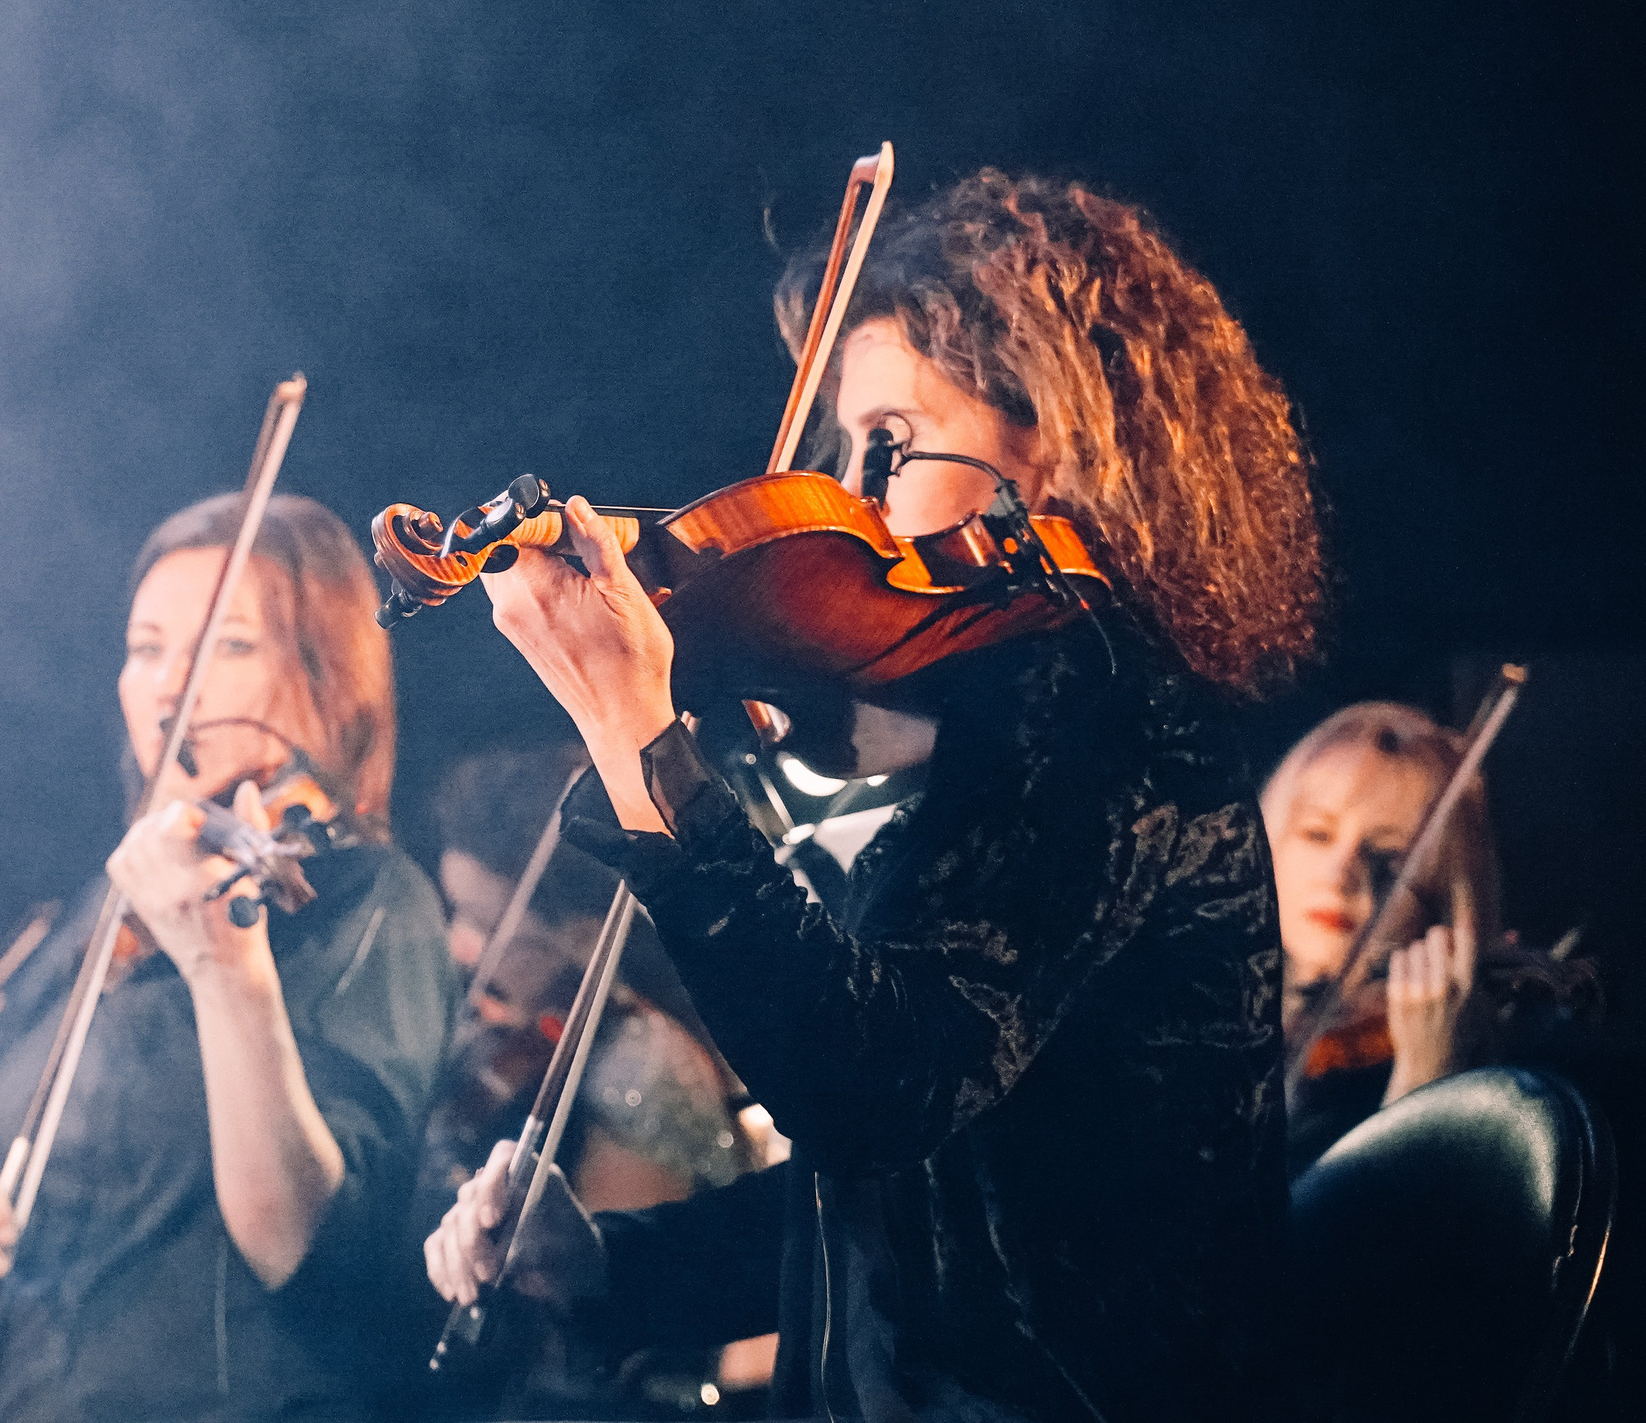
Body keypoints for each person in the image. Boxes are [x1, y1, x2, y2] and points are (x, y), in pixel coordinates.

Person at [427, 170, 1326, 1422]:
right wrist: (609, 1268)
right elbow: (879, 1224)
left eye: (890, 445)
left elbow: (874, 1089)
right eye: (847, 449)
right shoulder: (970, 736)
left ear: (1054, 443)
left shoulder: (1118, 725)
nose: (849, 502)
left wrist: (639, 732)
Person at [0, 493, 457, 1422]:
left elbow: (300, 1242)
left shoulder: (370, 901)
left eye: (229, 646)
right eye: (147, 648)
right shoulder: (109, 915)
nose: (172, 685)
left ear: (327, 677)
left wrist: (225, 967)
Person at [419, 745, 772, 1417]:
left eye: (486, 923)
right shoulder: (527, 1038)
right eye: (454, 909)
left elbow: (595, 1343)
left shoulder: (640, 1064)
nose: (458, 944)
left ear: (584, 935)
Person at [1265, 700, 1598, 1175]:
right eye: (1318, 834)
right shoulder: (1219, 1016)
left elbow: (1358, 1242)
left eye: (1389, 856)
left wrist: (1426, 1079)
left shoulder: (1476, 1075)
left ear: (1444, 897)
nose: (1341, 875)